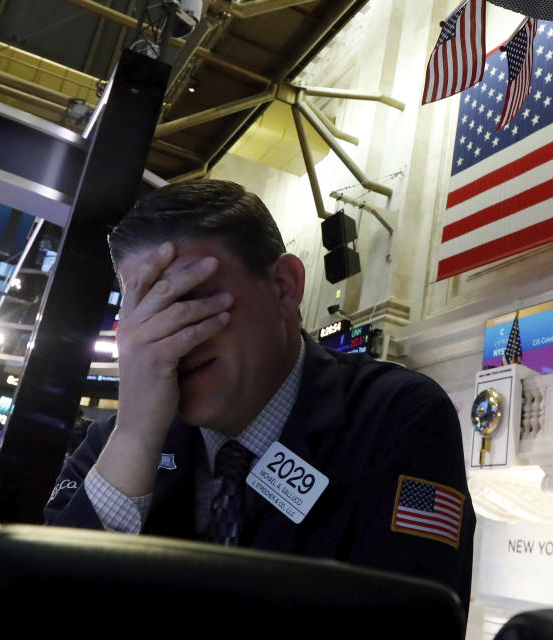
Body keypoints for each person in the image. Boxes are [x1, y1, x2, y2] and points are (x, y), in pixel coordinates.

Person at [45, 180, 475, 611]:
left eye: (189, 302)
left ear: (285, 286)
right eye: (148, 314)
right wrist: (136, 434)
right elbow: (41, 611)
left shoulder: (397, 418)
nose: (171, 342)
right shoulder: (111, 445)